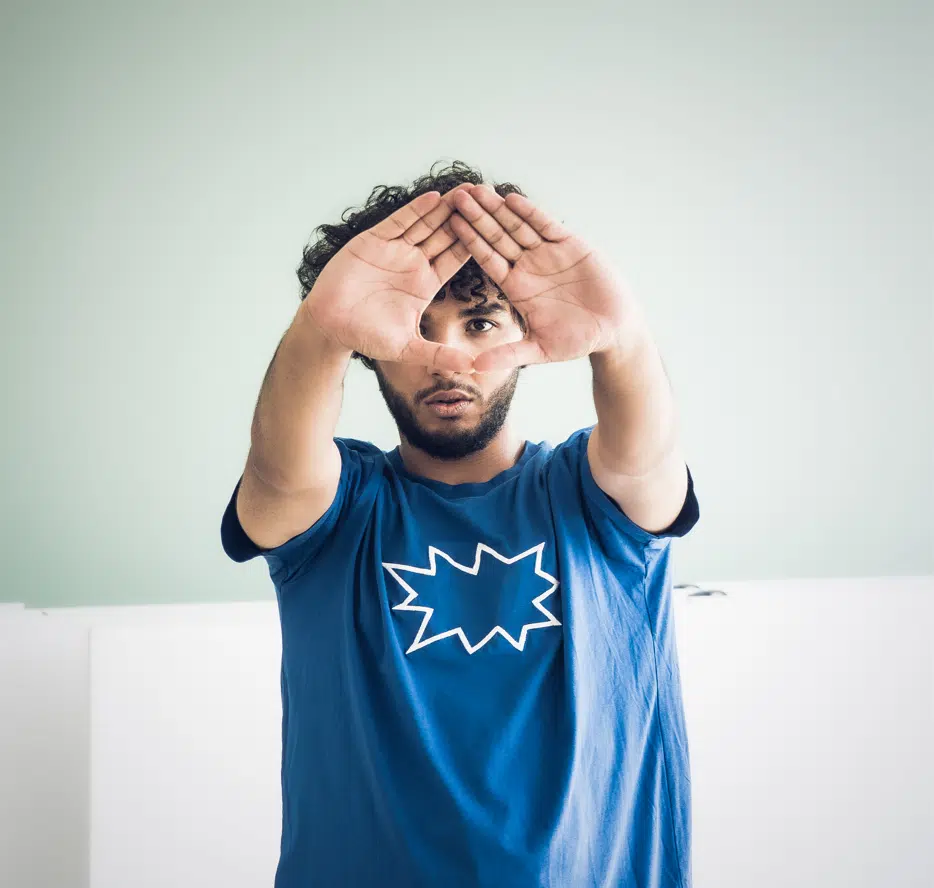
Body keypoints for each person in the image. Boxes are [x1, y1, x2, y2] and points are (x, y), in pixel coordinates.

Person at [220, 160, 700, 887]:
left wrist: (622, 336)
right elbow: (279, 475)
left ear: (527, 331)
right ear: (369, 351)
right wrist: (319, 331)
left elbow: (647, 462)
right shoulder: (340, 511)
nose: (449, 358)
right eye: (417, 328)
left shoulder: (589, 495)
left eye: (480, 324)